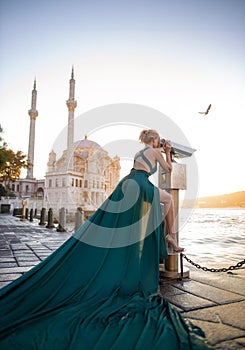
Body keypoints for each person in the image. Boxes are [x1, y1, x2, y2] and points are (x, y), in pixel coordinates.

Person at [0, 129, 212, 350]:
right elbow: (168, 169)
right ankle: (171, 235)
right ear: (154, 140)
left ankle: (140, 243)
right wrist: (167, 152)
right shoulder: (155, 151)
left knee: (125, 222)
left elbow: (141, 169)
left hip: (127, 183)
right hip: (140, 184)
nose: (160, 143)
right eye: (158, 140)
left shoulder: (141, 152)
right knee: (168, 201)